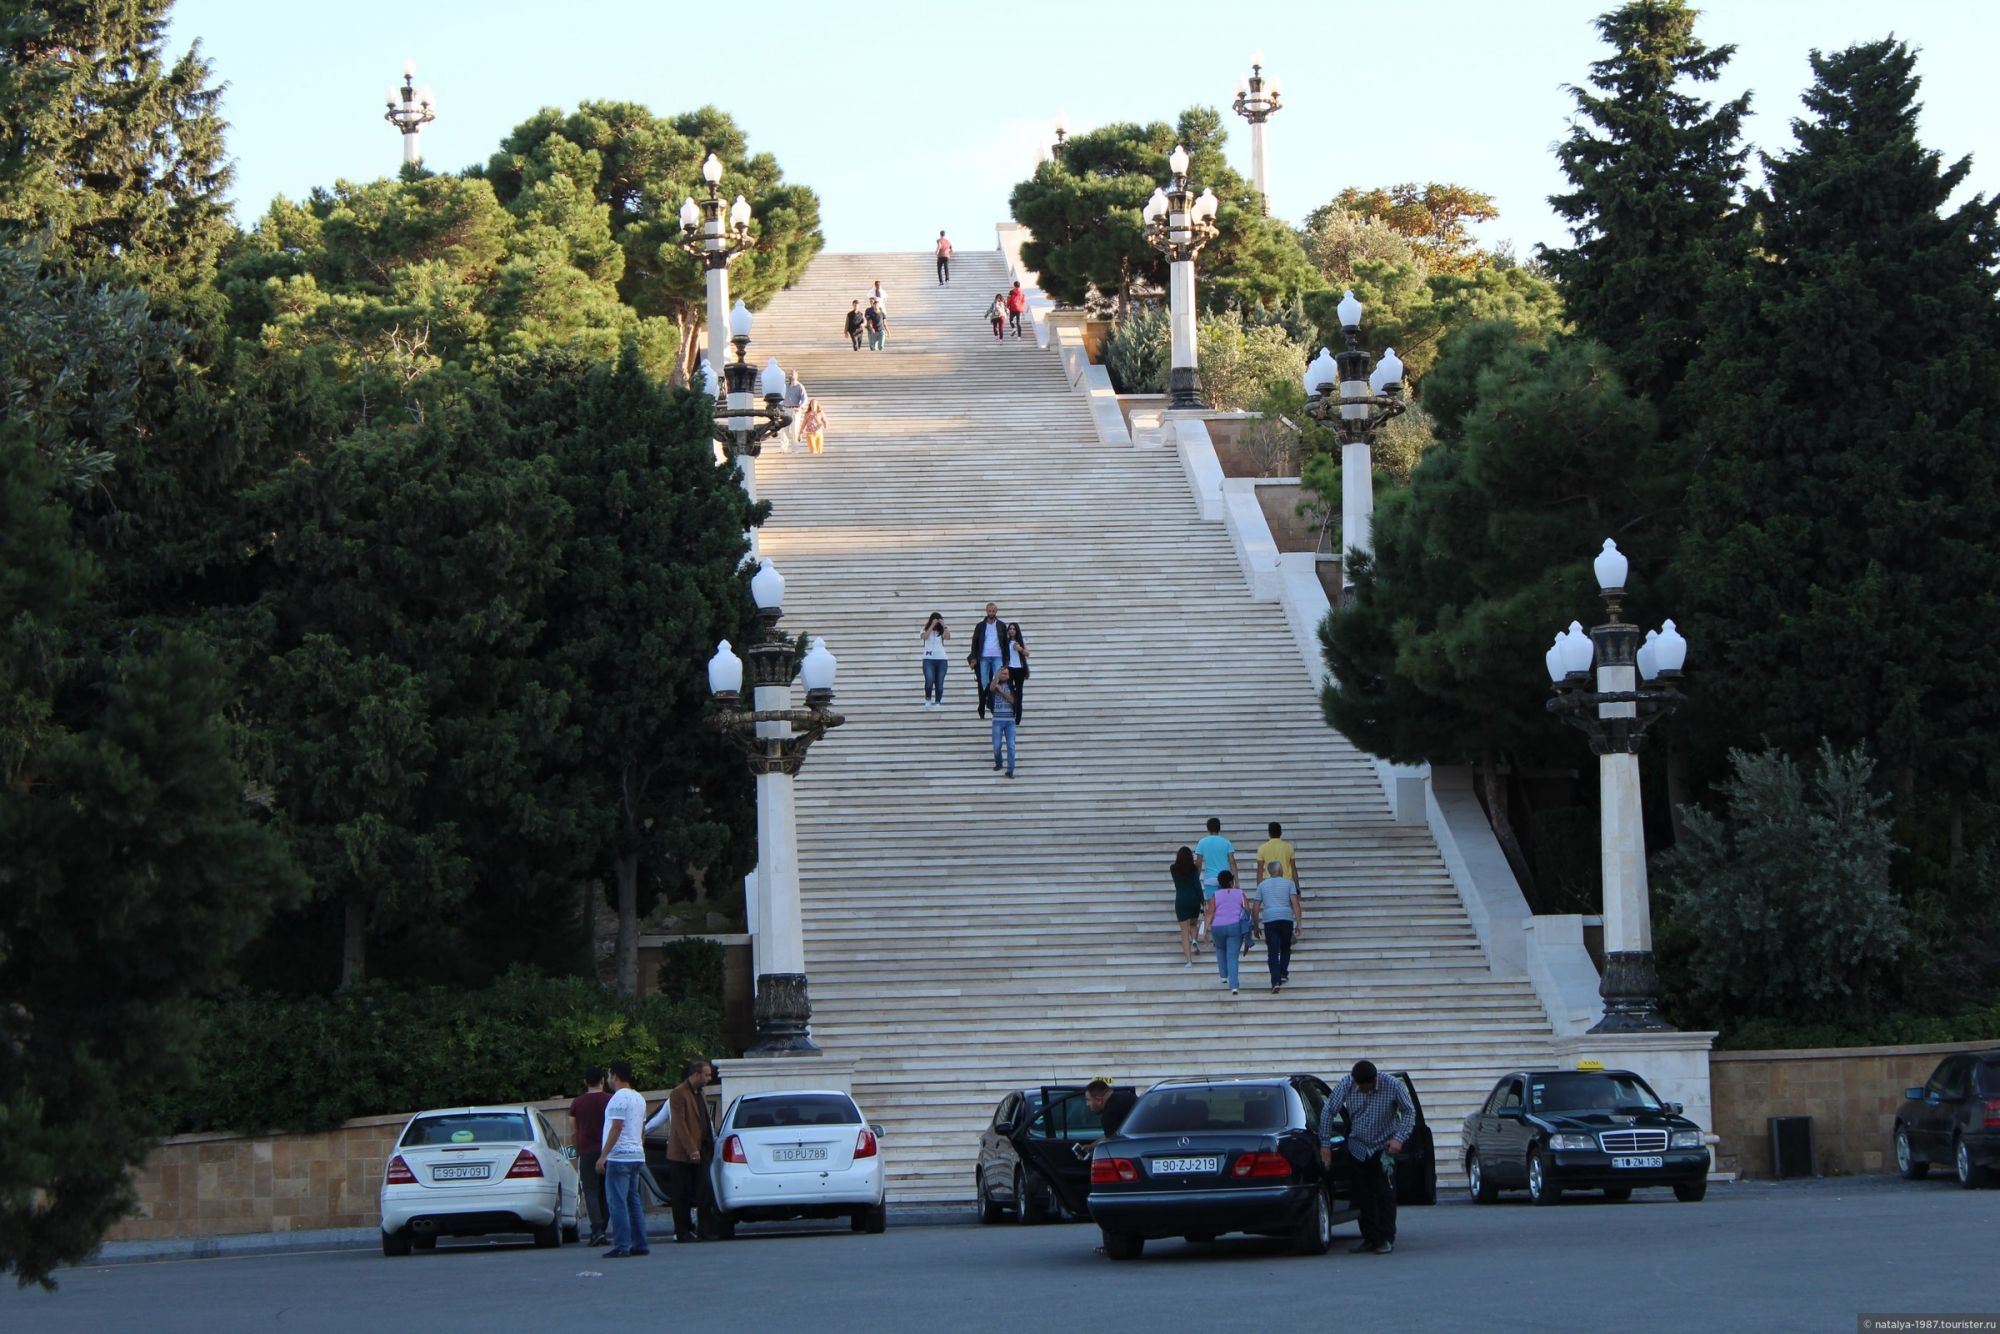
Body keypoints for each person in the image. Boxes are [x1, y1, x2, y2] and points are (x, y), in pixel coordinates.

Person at [1318, 1060, 1415, 1255]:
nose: (1360, 1089)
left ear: (1373, 1080)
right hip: (1358, 1147)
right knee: (1363, 1195)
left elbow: (1409, 1111)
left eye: (1364, 1086)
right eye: (1358, 1085)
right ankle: (1370, 1238)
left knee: (1385, 1194)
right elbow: (1328, 1111)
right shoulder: (1347, 1083)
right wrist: (1325, 1144)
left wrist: (1399, 1139)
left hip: (1384, 1149)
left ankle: (1386, 1238)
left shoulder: (1392, 1085)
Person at [597, 1061, 650, 1257]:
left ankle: (621, 1245)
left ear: (615, 1076)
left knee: (617, 1202)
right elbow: (642, 1129)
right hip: (636, 1155)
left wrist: (603, 1156)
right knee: (633, 1201)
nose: (608, 1079)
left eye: (609, 1075)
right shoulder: (639, 1098)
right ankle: (640, 1243)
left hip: (619, 1157)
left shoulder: (618, 1098)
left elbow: (616, 1127)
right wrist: (638, 1147)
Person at [664, 1059, 714, 1243]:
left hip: (703, 1149)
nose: (709, 1078)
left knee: (705, 1190)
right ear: (696, 1075)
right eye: (706, 1075)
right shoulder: (678, 1093)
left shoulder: (701, 1092)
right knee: (681, 1194)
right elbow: (680, 1125)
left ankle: (705, 1230)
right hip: (682, 1154)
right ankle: (682, 1231)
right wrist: (692, 1149)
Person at [569, 1067, 611, 1246]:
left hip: (587, 1151)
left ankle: (597, 1229)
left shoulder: (577, 1103)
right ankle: (604, 1228)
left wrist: (577, 1150)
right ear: (603, 1080)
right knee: (606, 1191)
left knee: (591, 1191)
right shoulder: (610, 1100)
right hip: (608, 1151)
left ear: (585, 1082)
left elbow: (573, 1130)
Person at [1251, 858, 1302, 992]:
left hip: (1269, 920)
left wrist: (1256, 926)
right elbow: (1295, 904)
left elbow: (1255, 907)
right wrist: (1299, 923)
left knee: (1272, 952)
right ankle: (1283, 973)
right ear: (1279, 870)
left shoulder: (1262, 885)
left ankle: (1275, 981)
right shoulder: (1289, 883)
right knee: (1285, 947)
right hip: (1286, 918)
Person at [1193, 817, 1237, 943]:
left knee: (1212, 908)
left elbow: (1198, 863)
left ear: (1208, 828)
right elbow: (1232, 862)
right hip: (1225, 878)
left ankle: (1214, 935)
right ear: (1219, 828)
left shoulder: (1202, 842)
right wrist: (1236, 881)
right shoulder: (1226, 842)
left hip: (1210, 879)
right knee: (1225, 907)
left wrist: (1196, 880)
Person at [1205, 870, 1248, 994]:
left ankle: (1223, 975)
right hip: (1235, 926)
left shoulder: (1215, 895)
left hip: (1218, 927)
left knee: (1220, 949)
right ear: (1231, 881)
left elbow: (1210, 913)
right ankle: (1234, 986)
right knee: (1232, 957)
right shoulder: (1240, 893)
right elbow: (1247, 910)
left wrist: (1205, 930)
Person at [968, 602, 1005, 718]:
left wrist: (1007, 659)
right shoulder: (980, 626)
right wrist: (974, 657)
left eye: (993, 611)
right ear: (986, 611)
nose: (991, 613)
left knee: (997, 681)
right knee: (984, 682)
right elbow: (974, 642)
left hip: (997, 656)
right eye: (989, 611)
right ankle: (982, 705)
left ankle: (992, 704)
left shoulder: (1001, 625)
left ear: (996, 611)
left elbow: (1005, 642)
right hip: (984, 656)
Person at [1171, 846, 1203, 966]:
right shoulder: (1194, 869)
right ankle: (1194, 939)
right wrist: (1203, 901)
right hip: (1194, 900)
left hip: (1181, 900)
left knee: (1184, 931)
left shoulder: (1173, 869)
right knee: (1193, 924)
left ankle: (1189, 961)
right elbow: (1197, 885)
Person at [989, 664, 1018, 777]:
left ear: (1009, 675)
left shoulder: (1012, 686)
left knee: (1011, 746)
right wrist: (996, 676)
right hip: (997, 720)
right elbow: (991, 688)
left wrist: (1002, 691)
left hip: (1010, 721)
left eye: (1006, 674)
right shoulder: (995, 684)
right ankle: (999, 762)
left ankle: (1010, 770)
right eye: (1002, 673)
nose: (1004, 675)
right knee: (996, 746)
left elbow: (1013, 700)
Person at [1257, 821, 1300, 893]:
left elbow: (1259, 871)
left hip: (1269, 883)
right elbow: (1293, 869)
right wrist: (1297, 886)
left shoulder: (1262, 848)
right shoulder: (1289, 847)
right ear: (1281, 833)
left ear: (1269, 833)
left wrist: (1259, 889)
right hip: (1286, 883)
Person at [920, 612, 951, 708]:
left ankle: (938, 702)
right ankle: (928, 699)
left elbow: (948, 637)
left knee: (939, 682)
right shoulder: (924, 629)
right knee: (929, 680)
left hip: (942, 659)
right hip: (928, 659)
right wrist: (932, 625)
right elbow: (925, 637)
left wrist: (944, 625)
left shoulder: (942, 631)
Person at [1003, 622, 1031, 721]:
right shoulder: (1006, 642)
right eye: (1010, 629)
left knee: (1019, 693)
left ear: (1017, 631)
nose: (1012, 631)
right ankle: (1013, 711)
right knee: (1011, 691)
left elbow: (1027, 653)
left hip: (1020, 669)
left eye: (1014, 629)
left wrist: (1020, 649)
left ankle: (1018, 717)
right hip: (1009, 669)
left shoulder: (1021, 642)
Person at [781, 370, 807, 451]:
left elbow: (805, 398)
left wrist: (800, 407)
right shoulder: (785, 386)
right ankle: (783, 449)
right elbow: (781, 397)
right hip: (785, 409)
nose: (791, 375)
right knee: (784, 430)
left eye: (792, 374)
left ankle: (795, 449)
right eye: (790, 374)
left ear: (796, 375)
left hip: (795, 410)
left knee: (795, 430)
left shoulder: (799, 386)